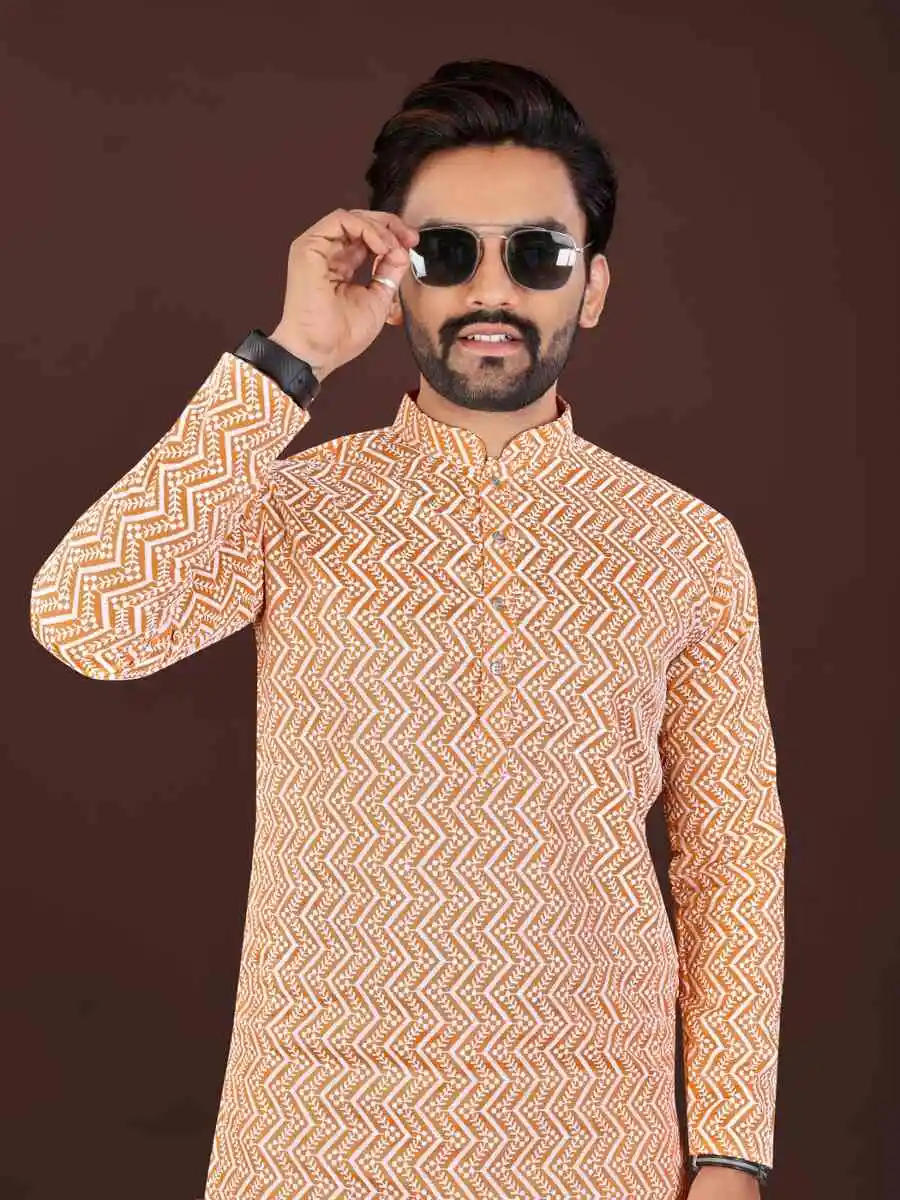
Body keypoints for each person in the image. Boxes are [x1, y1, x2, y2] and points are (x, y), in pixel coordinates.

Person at [29, 58, 785, 1200]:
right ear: (394, 278)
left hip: (594, 1144)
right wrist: (289, 360)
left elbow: (731, 863)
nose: (493, 291)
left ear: (593, 288)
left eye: (539, 255)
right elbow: (89, 623)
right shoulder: (291, 504)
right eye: (446, 253)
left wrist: (728, 1149)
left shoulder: (682, 543)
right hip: (309, 1141)